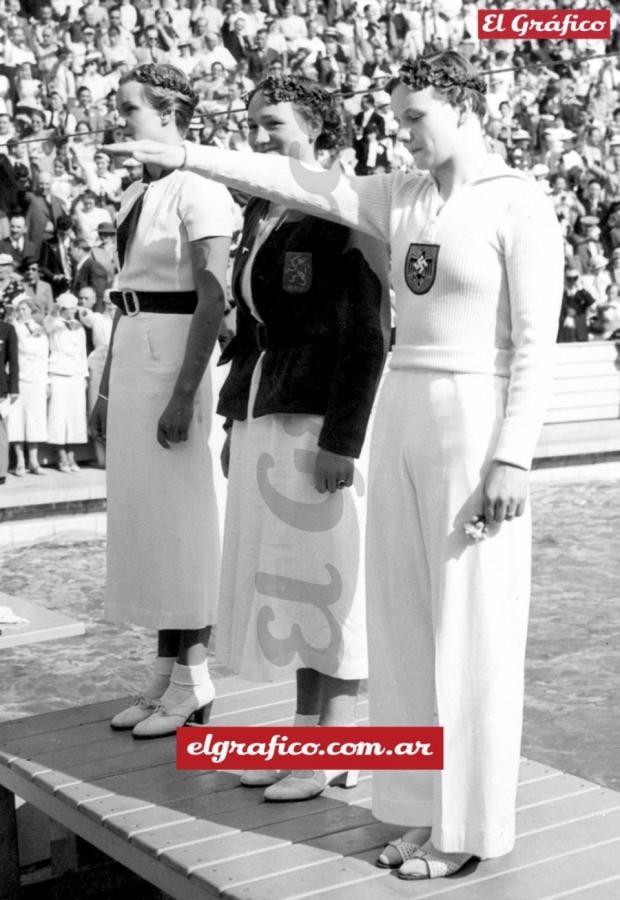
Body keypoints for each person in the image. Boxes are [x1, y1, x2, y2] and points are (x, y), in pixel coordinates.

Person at [108, 50, 564, 878]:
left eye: (415, 116)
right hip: (405, 417)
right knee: (402, 628)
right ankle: (419, 811)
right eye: (396, 117)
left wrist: (514, 456)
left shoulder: (519, 204)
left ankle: (469, 829)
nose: (403, 132)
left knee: (471, 632)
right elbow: (286, 180)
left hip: (476, 417)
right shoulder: (400, 197)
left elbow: (536, 344)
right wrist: (181, 155)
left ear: (463, 105)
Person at [215, 75, 389, 800]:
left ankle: (335, 747)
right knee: (286, 581)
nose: (257, 136)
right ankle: (303, 736)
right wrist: (235, 417)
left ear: (318, 126)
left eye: (273, 123)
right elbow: (255, 328)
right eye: (251, 123)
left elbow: (368, 336)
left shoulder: (346, 208)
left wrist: (343, 441)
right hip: (268, 408)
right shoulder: (264, 210)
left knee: (330, 579)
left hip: (319, 419)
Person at [89, 63, 234, 739]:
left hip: (177, 354)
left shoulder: (198, 189)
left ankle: (195, 678)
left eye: (132, 110)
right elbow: (128, 292)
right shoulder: (133, 196)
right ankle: (165, 671)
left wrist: (183, 392)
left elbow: (214, 296)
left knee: (184, 524)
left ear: (171, 114)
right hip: (138, 346)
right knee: (148, 524)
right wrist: (110, 382)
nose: (123, 121)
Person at [45, 292, 89, 473]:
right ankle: (61, 457)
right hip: (58, 374)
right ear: (63, 309)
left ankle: (72, 456)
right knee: (58, 416)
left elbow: (82, 354)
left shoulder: (79, 328)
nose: (74, 311)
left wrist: (85, 376)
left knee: (76, 417)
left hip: (76, 376)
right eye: (71, 308)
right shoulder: (54, 325)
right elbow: (49, 336)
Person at [8, 295, 49, 475]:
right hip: (19, 379)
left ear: (32, 310)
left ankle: (33, 460)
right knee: (17, 420)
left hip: (37, 379)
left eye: (25, 309)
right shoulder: (13, 328)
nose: (22, 312)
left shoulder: (40, 329)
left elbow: (44, 357)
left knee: (35, 419)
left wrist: (47, 381)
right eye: (19, 309)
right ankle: (20, 461)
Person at [0, 313, 19, 486]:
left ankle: (0, 471)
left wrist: (14, 388)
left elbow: (13, 361)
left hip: (0, 387)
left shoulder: (7, 329)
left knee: (0, 431)